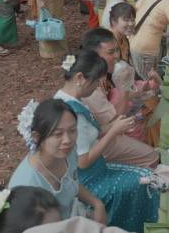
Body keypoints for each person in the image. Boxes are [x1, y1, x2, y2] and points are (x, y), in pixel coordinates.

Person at [53, 49, 159, 232]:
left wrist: (112, 126)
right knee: (147, 181)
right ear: (80, 78)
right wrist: (112, 132)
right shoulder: (72, 113)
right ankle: (132, 225)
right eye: (95, 82)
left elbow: (92, 132)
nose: (96, 87)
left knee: (147, 177)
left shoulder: (66, 98)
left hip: (97, 169)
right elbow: (83, 161)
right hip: (90, 180)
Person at [9, 98, 106, 222]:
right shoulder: (26, 185)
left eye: (72, 130)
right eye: (58, 134)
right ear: (36, 137)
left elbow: (71, 183)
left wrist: (97, 204)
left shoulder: (68, 153)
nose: (67, 140)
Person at [80, 28, 160, 167]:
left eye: (117, 50)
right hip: (101, 141)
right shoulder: (91, 87)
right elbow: (116, 120)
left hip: (110, 130)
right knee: (152, 157)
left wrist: (138, 89)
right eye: (111, 52)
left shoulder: (104, 72)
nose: (117, 55)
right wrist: (124, 89)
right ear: (94, 56)